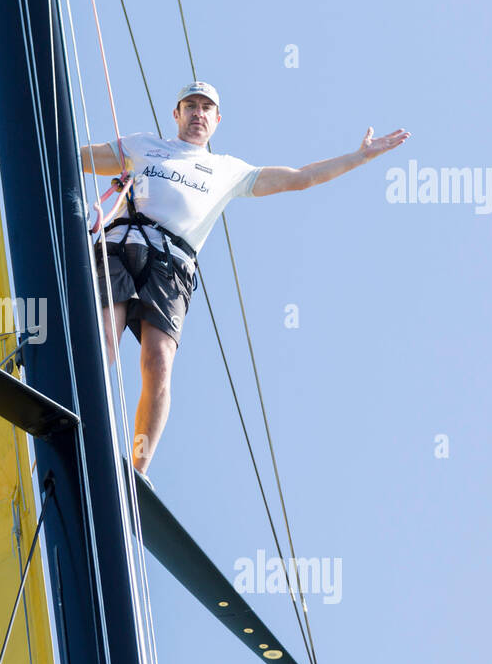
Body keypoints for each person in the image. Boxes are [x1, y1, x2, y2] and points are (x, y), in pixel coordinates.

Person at [80, 81, 409, 482]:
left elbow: (300, 178)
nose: (198, 113)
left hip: (172, 266)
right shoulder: (142, 145)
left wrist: (360, 157)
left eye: (206, 108)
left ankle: (138, 470)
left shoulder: (228, 171)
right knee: (105, 340)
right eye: (191, 106)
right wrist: (14, 126)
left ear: (217, 120)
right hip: (121, 246)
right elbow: (79, 156)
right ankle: (78, 408)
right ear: (177, 114)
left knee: (158, 363)